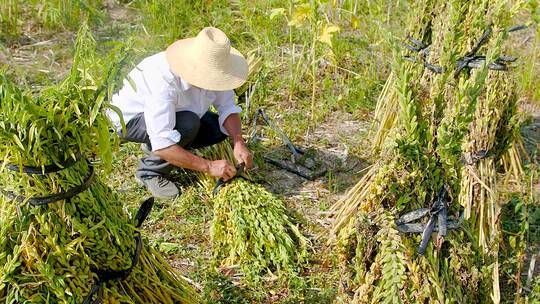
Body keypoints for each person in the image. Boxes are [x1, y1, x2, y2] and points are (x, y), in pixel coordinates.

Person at [108, 27, 253, 199]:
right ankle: (150, 172)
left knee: (215, 129)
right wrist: (208, 166)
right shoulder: (163, 80)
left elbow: (227, 107)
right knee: (188, 125)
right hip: (130, 120)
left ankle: (166, 147)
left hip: (176, 112)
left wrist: (238, 141)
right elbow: (162, 142)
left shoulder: (217, 69)